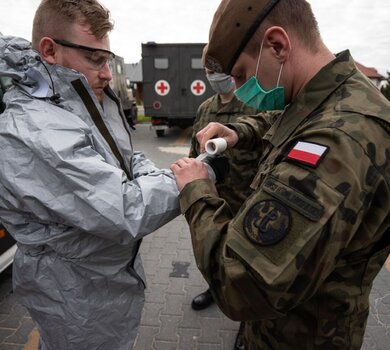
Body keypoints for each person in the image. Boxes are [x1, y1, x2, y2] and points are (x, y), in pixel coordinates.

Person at [171, 0, 390, 349]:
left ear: (277, 45)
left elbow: (238, 283)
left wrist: (197, 192)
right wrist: (237, 132)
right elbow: (276, 121)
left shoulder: (336, 140)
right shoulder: (326, 101)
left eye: (242, 74)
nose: (241, 89)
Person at [0, 1, 181, 349]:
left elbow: (125, 161)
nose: (108, 73)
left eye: (108, 60)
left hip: (101, 288)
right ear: (50, 50)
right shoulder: (35, 131)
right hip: (75, 298)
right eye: (95, 59)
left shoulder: (73, 107)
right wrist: (189, 177)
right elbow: (125, 207)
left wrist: (160, 176)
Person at [190, 66, 278, 350]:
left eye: (219, 69)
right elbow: (195, 151)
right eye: (209, 70)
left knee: (246, 264)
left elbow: (266, 145)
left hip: (247, 196)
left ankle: (247, 323)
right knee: (212, 250)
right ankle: (214, 290)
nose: (215, 75)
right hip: (216, 196)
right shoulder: (205, 108)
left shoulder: (252, 105)